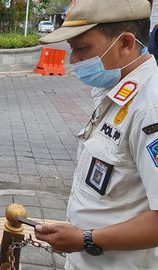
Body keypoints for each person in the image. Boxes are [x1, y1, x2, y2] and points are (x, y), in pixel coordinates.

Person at [34, 0, 158, 269]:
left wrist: (86, 238)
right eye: (71, 49)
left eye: (82, 49)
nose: (73, 60)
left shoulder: (151, 108)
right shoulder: (115, 91)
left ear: (125, 43)